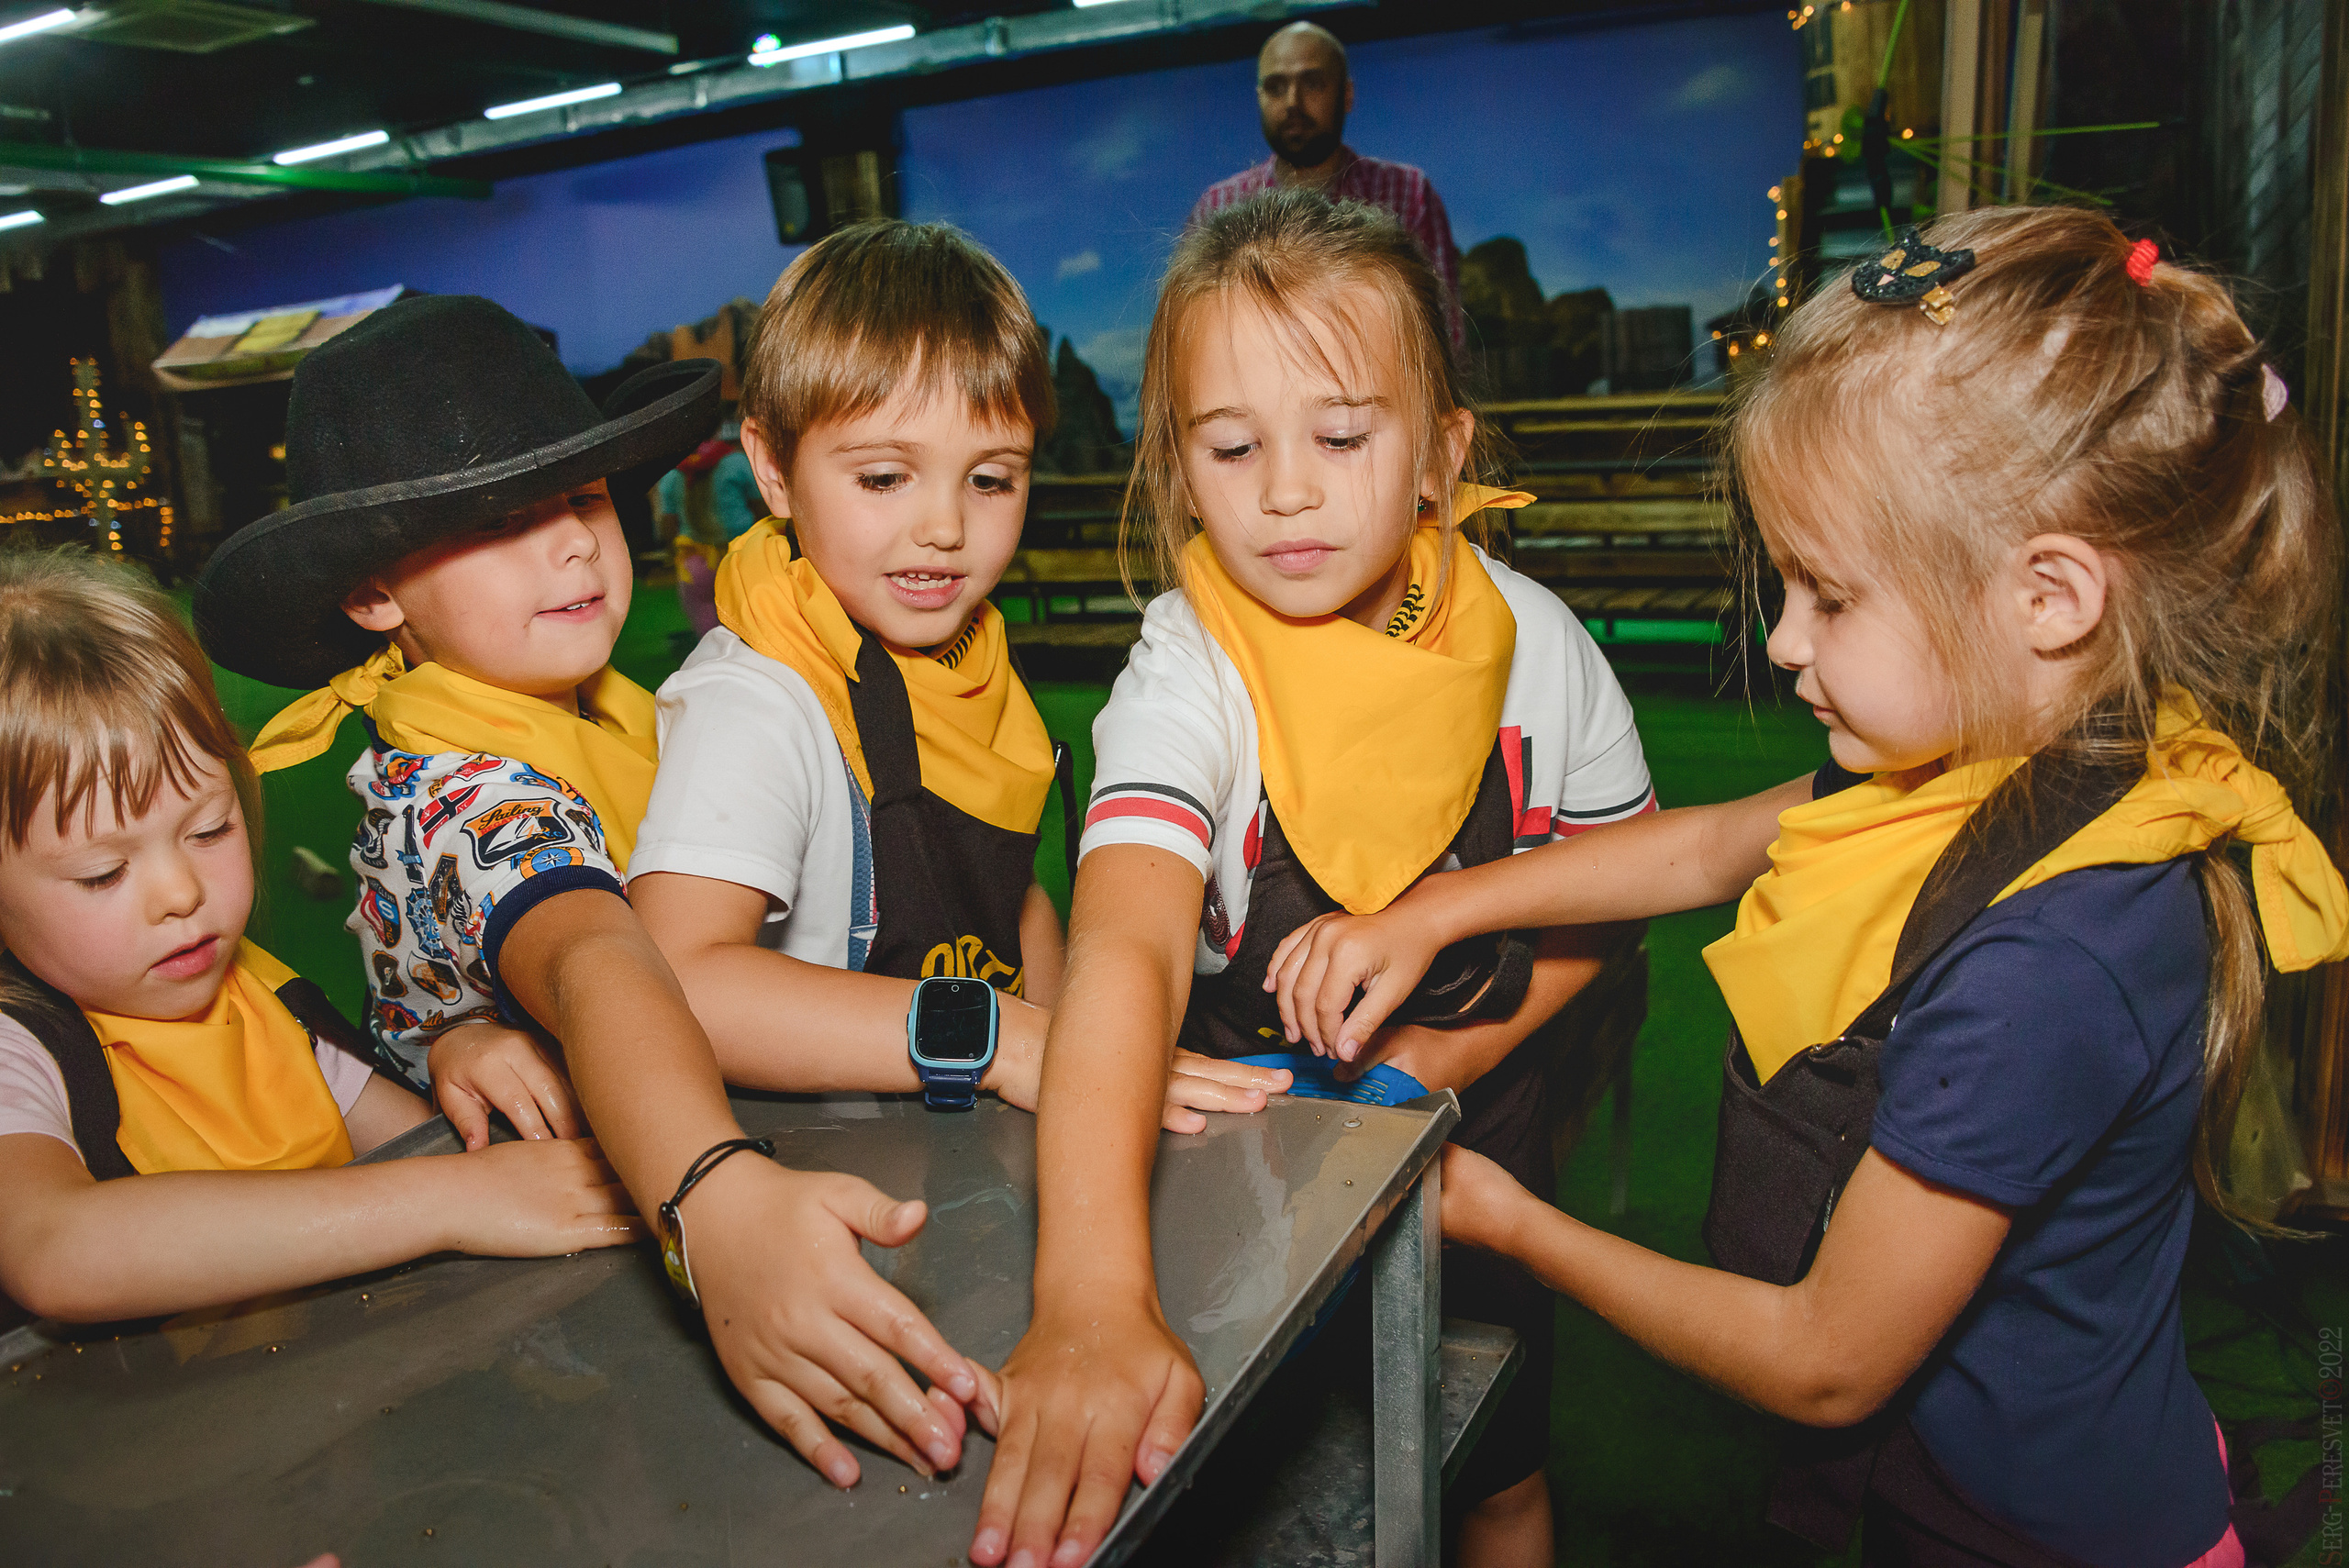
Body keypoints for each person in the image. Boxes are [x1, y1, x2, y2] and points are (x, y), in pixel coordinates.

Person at [1262, 207, 2347, 1566]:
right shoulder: (2006, 758)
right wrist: (1435, 909)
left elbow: (1826, 1358)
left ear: (2050, 597)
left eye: (1830, 596)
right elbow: (1712, 845)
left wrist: (1511, 1222)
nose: (1784, 641)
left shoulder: (2049, 966)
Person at [193, 296, 999, 1491]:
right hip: (567, 1322)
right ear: (374, 594)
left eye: (578, 500)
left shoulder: (617, 714)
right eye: (501, 523)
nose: (571, 544)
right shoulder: (465, 790)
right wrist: (712, 1191)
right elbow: (593, 955)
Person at [972, 189, 1655, 1568]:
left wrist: (1425, 1074)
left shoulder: (1538, 643)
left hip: (1484, 1148)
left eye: (1341, 436)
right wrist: (1097, 1294)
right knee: (1259, 1485)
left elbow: (1612, 913)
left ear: (1438, 455)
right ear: (1179, 467)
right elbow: (1130, 952)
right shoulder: (1188, 669)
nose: (1287, 488)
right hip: (1247, 1169)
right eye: (1233, 447)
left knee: (1495, 1469)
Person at [629, 219, 1287, 1130]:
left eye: (989, 479)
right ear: (773, 469)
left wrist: (1084, 1049)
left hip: (963, 1144)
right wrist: (1009, 1038)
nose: (943, 525)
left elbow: (1012, 900)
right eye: (885, 476)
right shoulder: (758, 699)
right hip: (826, 1161)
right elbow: (676, 984)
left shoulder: (972, 659)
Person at [0, 548, 636, 1327]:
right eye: (102, 873)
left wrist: (457, 1053)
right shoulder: (19, 1050)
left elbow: (438, 1150)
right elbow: (59, 1250)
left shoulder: (269, 999)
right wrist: (445, 1199)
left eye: (209, 828)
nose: (182, 894)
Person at [1192, 21, 1465, 346]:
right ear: (1260, 98)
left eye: (1313, 83)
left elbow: (1445, 337)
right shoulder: (1218, 207)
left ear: (1346, 95)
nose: (1293, 102)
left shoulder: (1409, 194)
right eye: (1276, 87)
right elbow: (1195, 340)